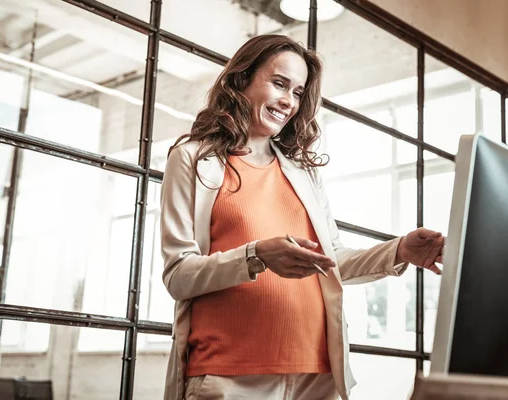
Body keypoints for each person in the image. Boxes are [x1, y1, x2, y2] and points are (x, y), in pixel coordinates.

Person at [160, 34, 444, 400]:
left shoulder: (303, 173)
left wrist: (400, 251)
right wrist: (256, 255)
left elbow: (332, 260)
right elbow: (179, 275)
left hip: (317, 376)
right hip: (231, 376)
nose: (288, 101)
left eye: (297, 92)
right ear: (241, 79)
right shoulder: (193, 159)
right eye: (279, 83)